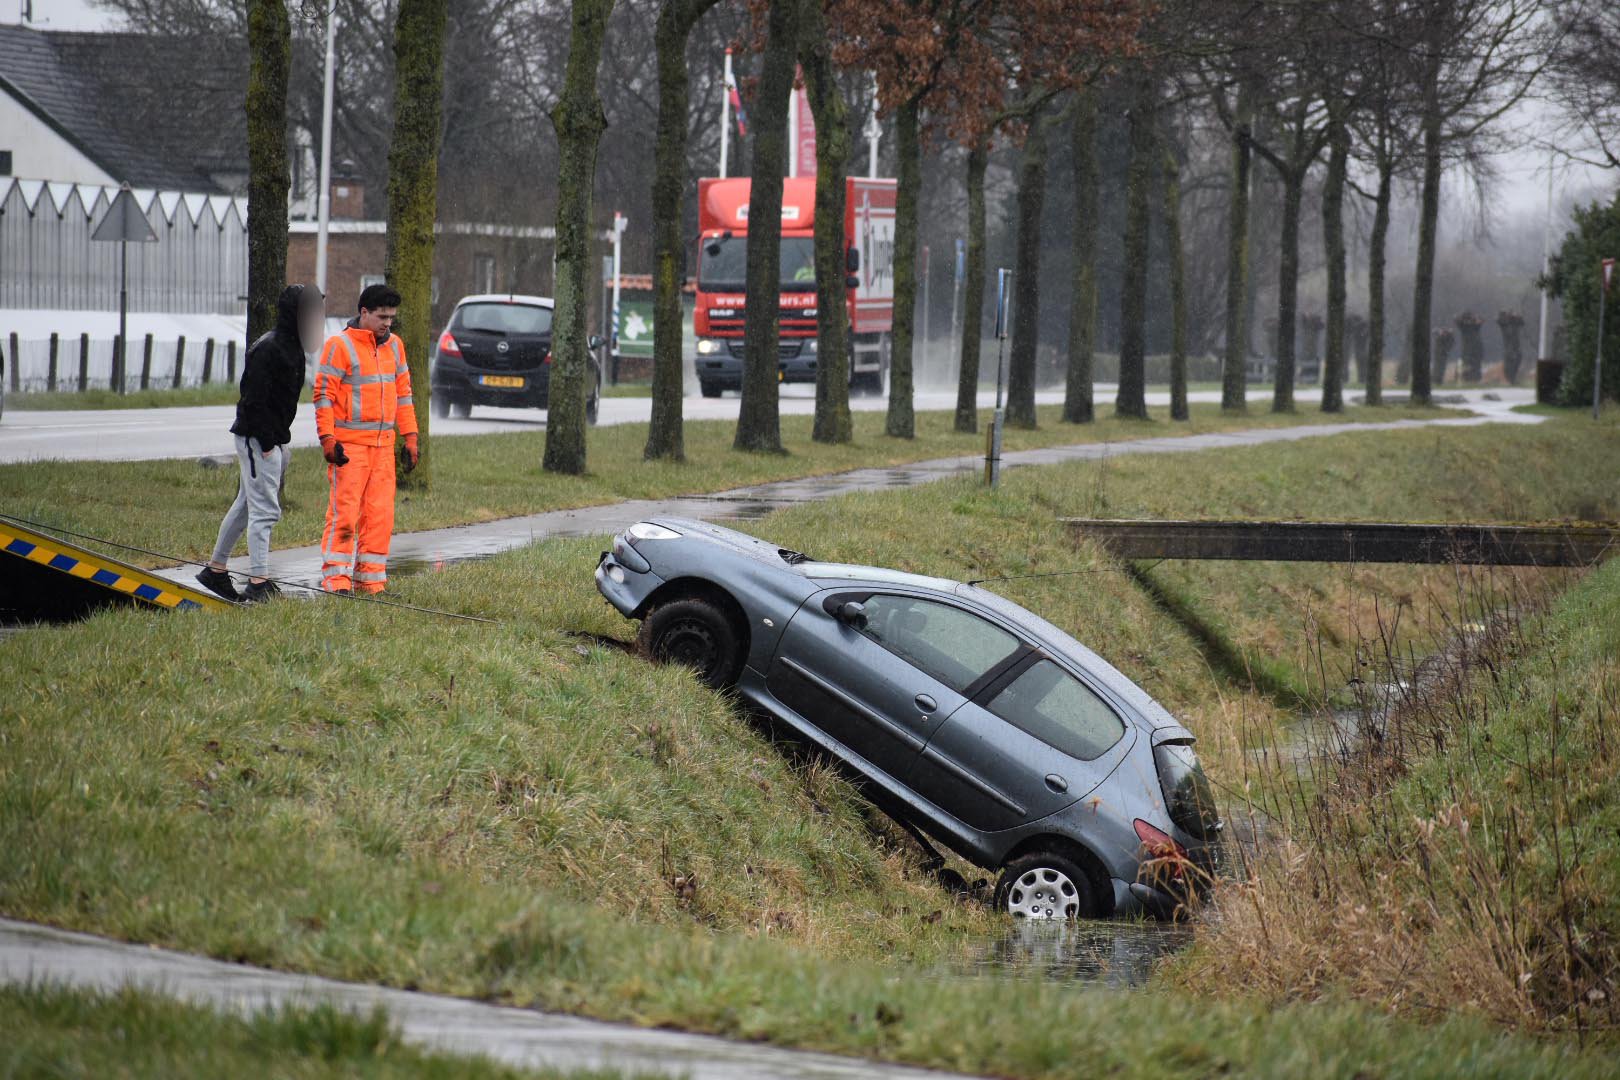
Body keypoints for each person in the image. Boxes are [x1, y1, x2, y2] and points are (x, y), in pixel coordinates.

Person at [196, 284, 325, 603]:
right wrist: (267, 442)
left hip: (269, 439)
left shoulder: (291, 346)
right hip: (258, 438)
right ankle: (258, 581)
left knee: (245, 505)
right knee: (265, 511)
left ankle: (215, 570)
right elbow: (253, 400)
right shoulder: (270, 348)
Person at [314, 282, 419, 594]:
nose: (387, 323)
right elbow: (323, 397)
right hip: (349, 450)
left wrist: (410, 437)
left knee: (380, 517)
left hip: (383, 448)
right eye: (382, 316)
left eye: (391, 318)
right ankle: (337, 580)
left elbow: (404, 394)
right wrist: (328, 440)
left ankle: (371, 582)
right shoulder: (340, 346)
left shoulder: (395, 346)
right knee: (344, 515)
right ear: (363, 312)